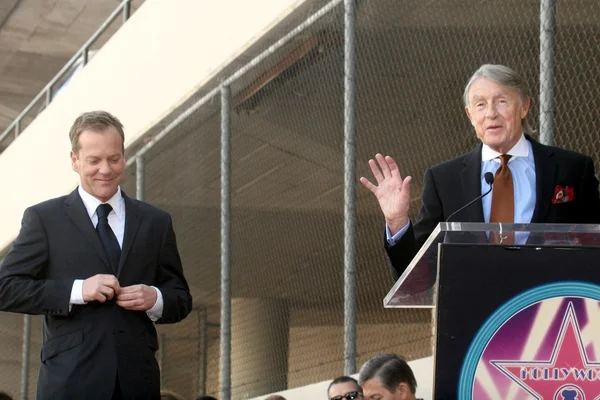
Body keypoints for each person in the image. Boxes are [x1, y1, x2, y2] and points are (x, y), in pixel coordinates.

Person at [0, 111, 193, 399]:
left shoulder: (156, 222)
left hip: (137, 384)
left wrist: (155, 298)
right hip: (70, 383)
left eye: (114, 159)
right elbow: (5, 287)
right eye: (94, 160)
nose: (105, 169)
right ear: (74, 160)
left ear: (124, 156)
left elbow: (181, 298)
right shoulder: (45, 218)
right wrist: (78, 290)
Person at [360, 64, 600, 280]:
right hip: (474, 320)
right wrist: (397, 221)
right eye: (480, 104)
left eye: (502, 101)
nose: (491, 113)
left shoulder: (572, 169)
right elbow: (417, 277)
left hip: (551, 311)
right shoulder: (444, 180)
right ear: (470, 115)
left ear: (524, 106)